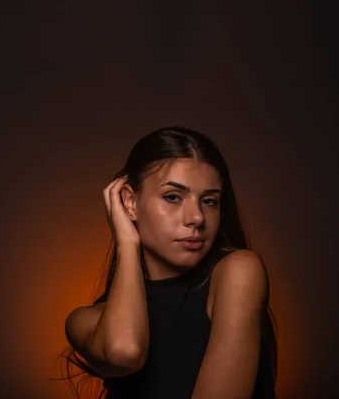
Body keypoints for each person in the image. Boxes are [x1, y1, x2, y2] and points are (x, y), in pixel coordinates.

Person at [57, 126, 278, 399]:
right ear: (129, 203)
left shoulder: (238, 272)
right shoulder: (86, 320)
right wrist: (127, 242)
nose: (197, 217)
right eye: (173, 197)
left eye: (209, 201)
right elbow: (125, 352)